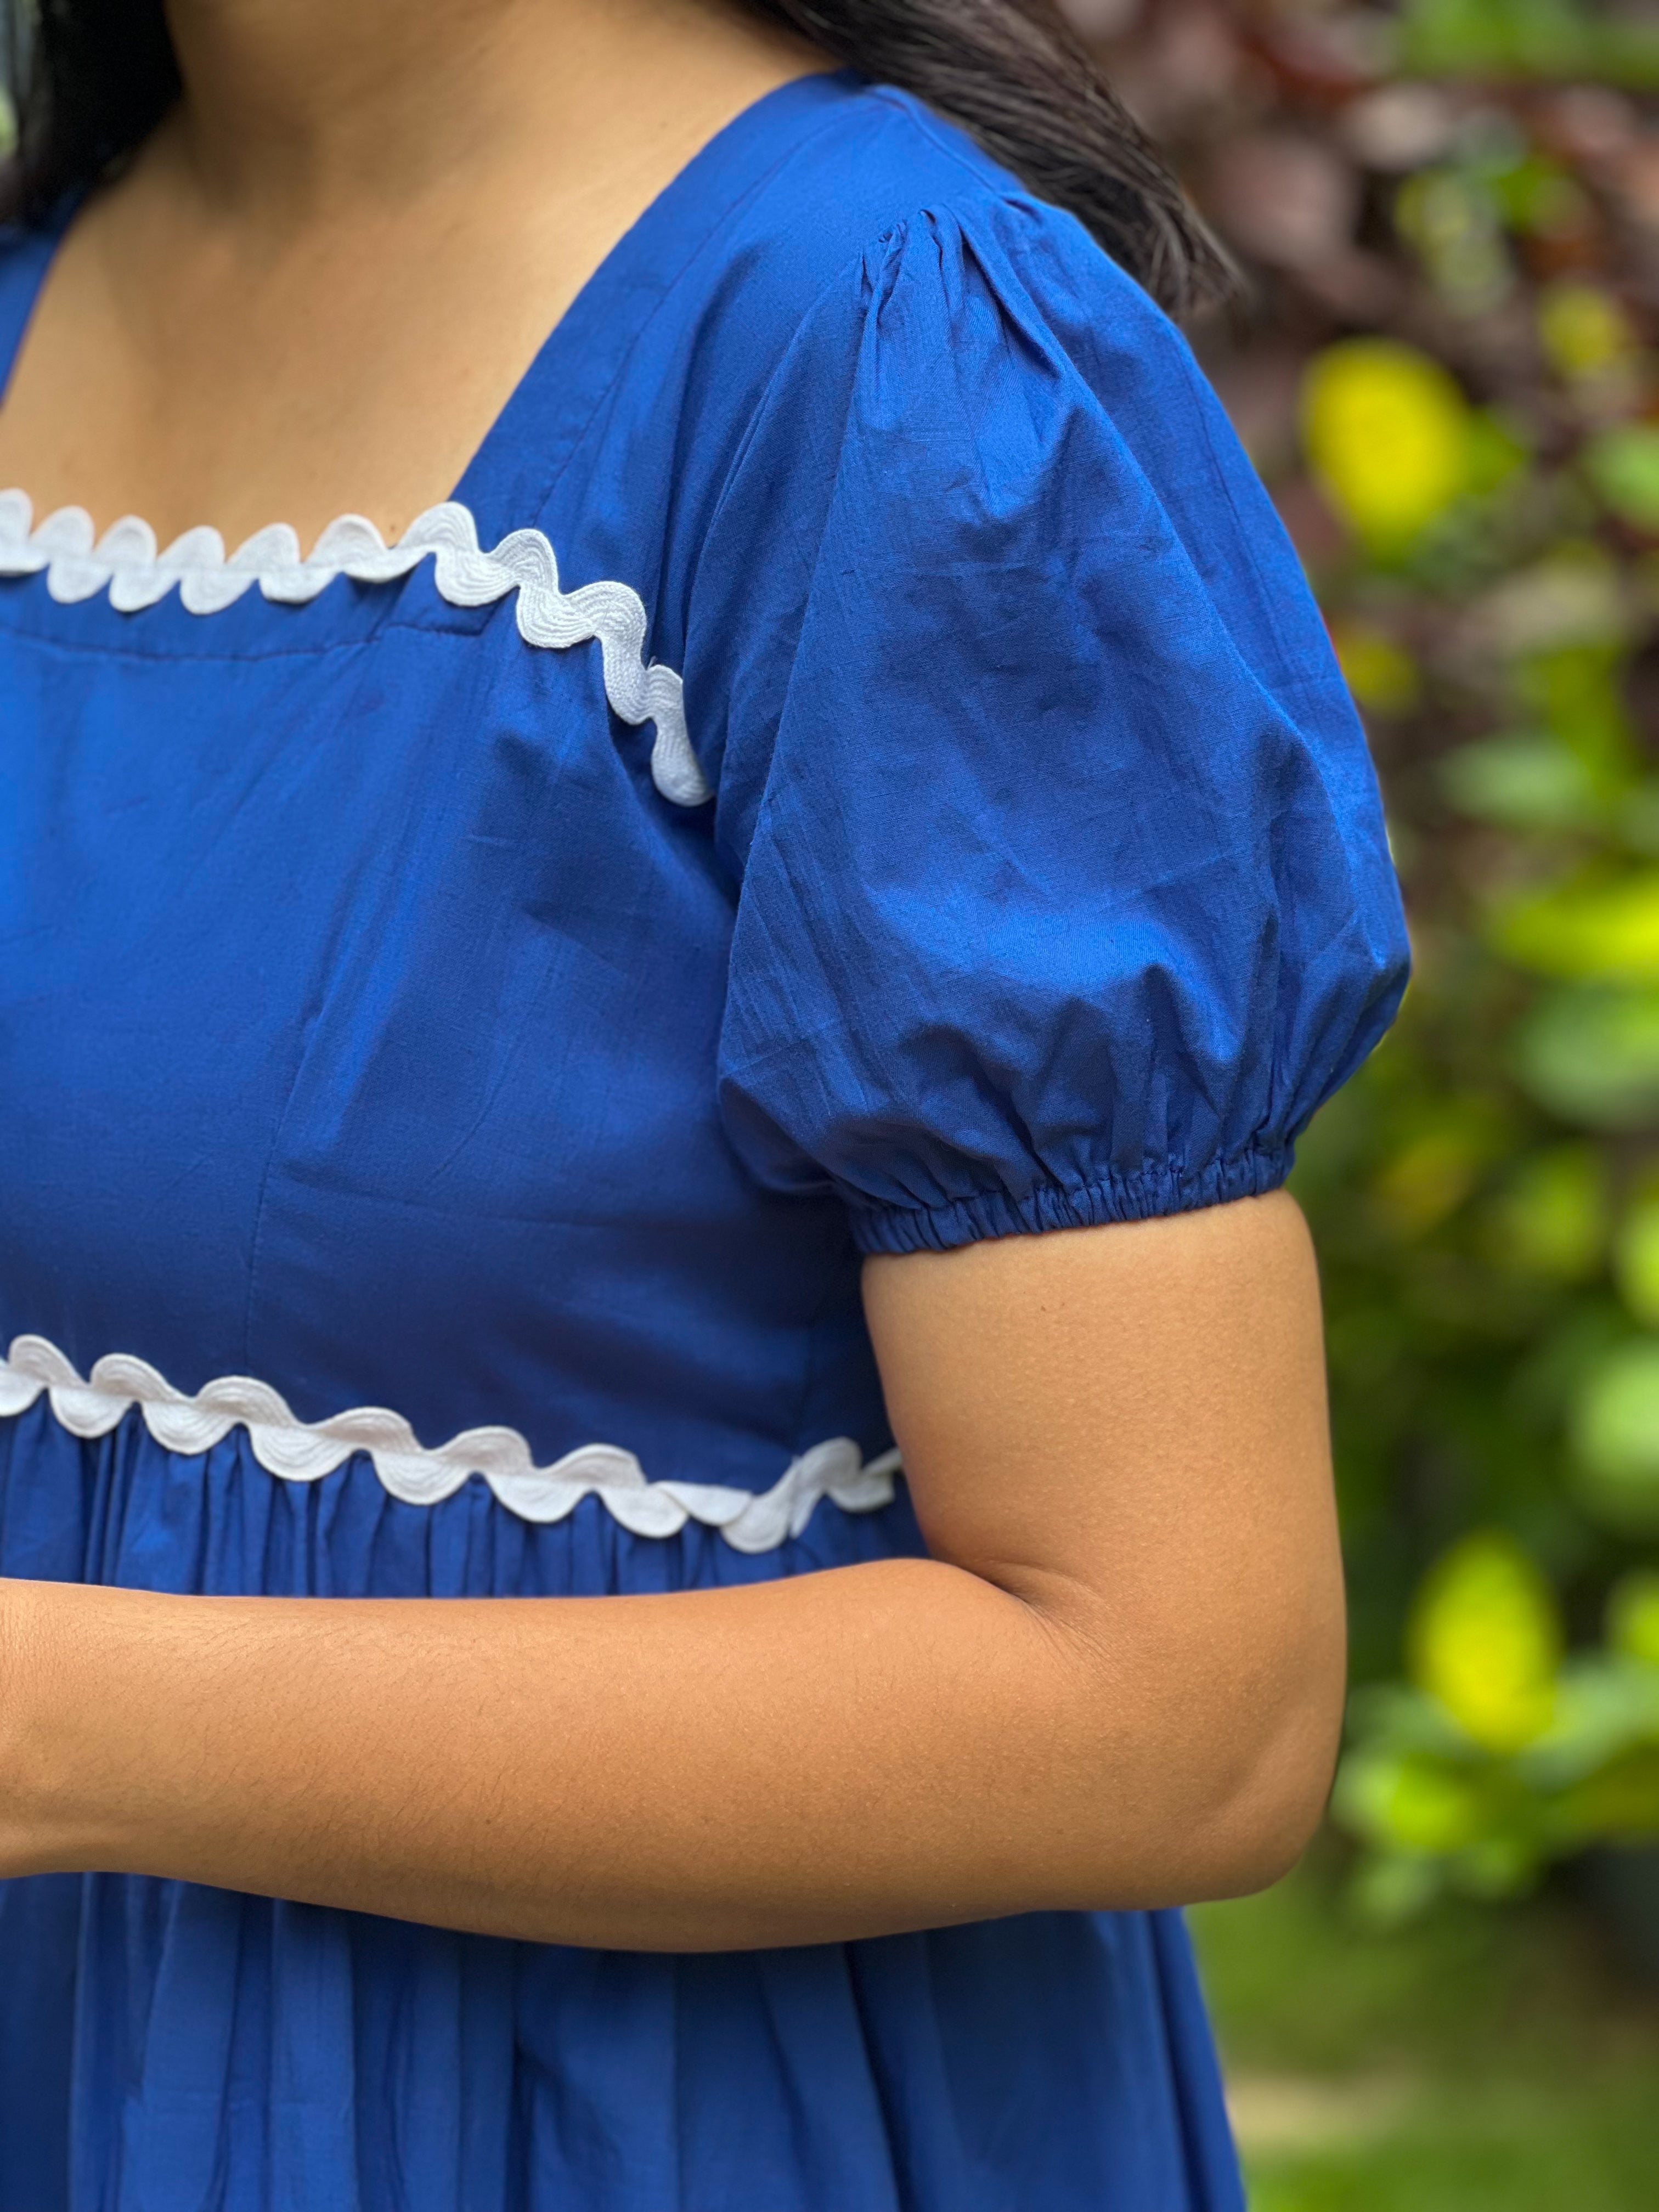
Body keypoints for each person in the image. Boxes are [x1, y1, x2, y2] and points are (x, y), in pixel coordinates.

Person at [0, 1, 1410, 2205]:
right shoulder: (40, 268)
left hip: (630, 2120)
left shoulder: (879, 346)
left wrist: (51, 1721)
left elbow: (1173, 1711)